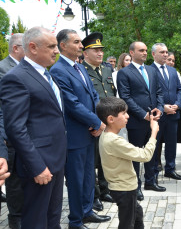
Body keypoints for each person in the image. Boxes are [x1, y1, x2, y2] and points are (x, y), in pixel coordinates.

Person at [0, 27, 66, 228]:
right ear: (32, 47)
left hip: (56, 160)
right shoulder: (16, 78)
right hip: (39, 165)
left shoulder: (45, 74)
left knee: (52, 216)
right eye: (52, 46)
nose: (57, 50)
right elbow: (15, 128)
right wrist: (37, 166)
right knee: (36, 220)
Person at [50, 29, 110, 229]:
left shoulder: (80, 67)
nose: (81, 46)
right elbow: (71, 104)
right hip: (74, 136)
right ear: (63, 46)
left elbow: (93, 95)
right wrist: (96, 122)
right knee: (76, 180)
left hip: (89, 132)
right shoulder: (58, 70)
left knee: (88, 177)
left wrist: (97, 122)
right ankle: (75, 220)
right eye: (76, 42)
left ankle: (86, 211)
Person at [97, 97, 158, 229]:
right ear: (111, 119)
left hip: (123, 187)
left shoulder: (106, 134)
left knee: (137, 214)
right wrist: (154, 133)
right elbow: (145, 155)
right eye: (123, 113)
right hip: (124, 189)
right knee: (127, 223)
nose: (128, 116)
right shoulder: (114, 141)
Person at [117, 41, 165, 201]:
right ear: (131, 52)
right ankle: (136, 186)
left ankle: (151, 181)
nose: (145, 53)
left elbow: (159, 92)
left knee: (152, 151)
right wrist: (143, 114)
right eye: (141, 50)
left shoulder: (151, 70)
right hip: (137, 121)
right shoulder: (125, 73)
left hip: (154, 119)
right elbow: (126, 98)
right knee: (137, 154)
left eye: (146, 50)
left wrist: (160, 108)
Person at [81, 32, 116, 210]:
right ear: (85, 53)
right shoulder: (82, 71)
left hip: (108, 124)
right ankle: (94, 196)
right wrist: (95, 122)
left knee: (105, 158)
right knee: (92, 162)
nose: (100, 53)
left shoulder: (107, 69)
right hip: (93, 125)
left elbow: (112, 94)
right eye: (95, 50)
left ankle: (105, 189)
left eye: (101, 50)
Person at [0, 33, 24, 229]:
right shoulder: (3, 69)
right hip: (10, 138)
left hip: (26, 136)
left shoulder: (27, 69)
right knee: (14, 184)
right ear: (16, 48)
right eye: (28, 46)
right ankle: (15, 221)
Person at [150, 43, 181, 181]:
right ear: (153, 54)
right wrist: (163, 107)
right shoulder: (149, 71)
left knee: (171, 144)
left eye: (166, 52)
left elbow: (179, 90)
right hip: (158, 115)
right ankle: (152, 173)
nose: (165, 54)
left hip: (173, 115)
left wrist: (177, 104)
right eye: (162, 52)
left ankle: (170, 169)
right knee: (155, 144)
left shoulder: (172, 71)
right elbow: (150, 93)